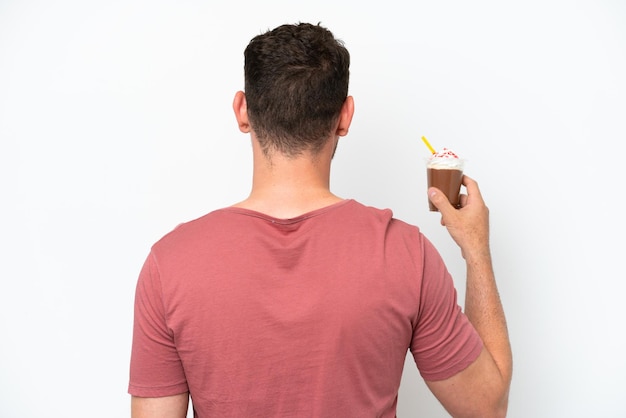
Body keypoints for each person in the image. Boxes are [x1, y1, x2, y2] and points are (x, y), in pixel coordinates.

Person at [128, 22, 512, 418]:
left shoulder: (170, 263)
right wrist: (476, 249)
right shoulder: (406, 254)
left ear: (242, 111)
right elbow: (488, 407)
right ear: (345, 118)